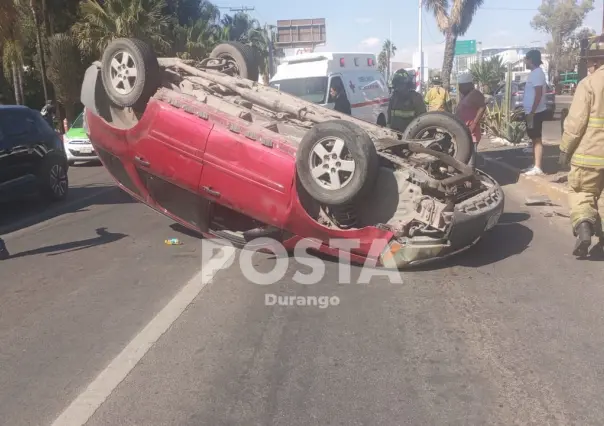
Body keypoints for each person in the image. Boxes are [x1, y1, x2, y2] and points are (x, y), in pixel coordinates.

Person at [559, 34, 604, 257]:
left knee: (582, 193)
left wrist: (565, 149)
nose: (587, 66)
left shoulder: (588, 84)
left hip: (589, 155)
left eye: (588, 62)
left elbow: (576, 124)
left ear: (595, 61)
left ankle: (584, 228)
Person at [521, 50, 549, 176]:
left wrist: (532, 111)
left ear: (531, 60)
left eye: (526, 59)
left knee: (537, 139)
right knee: (533, 138)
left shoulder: (537, 73)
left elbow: (538, 94)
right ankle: (535, 165)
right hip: (531, 112)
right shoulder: (534, 73)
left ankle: (538, 167)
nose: (525, 61)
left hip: (535, 112)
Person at [455, 71, 486, 169]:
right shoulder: (465, 95)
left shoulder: (475, 94)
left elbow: (482, 108)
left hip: (471, 130)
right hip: (463, 130)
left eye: (462, 85)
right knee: (465, 155)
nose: (460, 88)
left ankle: (471, 176)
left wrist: (474, 123)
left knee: (470, 158)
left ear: (469, 85)